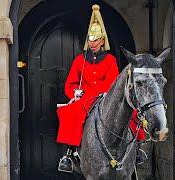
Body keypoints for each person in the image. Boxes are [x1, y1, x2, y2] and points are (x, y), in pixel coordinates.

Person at [56, 4, 146, 173]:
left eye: (96, 40)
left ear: (102, 40)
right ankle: (69, 153)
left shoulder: (110, 59)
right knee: (71, 113)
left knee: (132, 112)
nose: (92, 43)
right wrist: (75, 93)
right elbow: (70, 84)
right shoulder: (79, 60)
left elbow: (113, 82)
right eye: (90, 40)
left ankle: (137, 148)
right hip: (86, 98)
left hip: (107, 97)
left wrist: (105, 94)